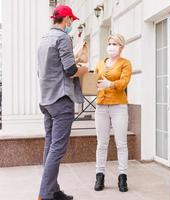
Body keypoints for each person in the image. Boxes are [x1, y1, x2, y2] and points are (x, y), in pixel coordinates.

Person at [37, 5, 88, 200]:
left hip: (47, 100)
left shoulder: (43, 40)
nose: (71, 24)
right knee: (57, 149)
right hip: (61, 100)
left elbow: (41, 71)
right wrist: (84, 69)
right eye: (71, 21)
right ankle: (44, 194)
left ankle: (52, 191)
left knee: (50, 147)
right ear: (65, 20)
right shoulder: (63, 38)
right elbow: (70, 70)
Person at [94, 34, 132, 192]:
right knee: (102, 143)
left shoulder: (125, 63)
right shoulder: (100, 63)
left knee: (121, 144)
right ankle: (99, 176)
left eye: (115, 44)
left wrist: (110, 84)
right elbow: (95, 80)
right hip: (101, 106)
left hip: (118, 106)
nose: (111, 46)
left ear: (121, 47)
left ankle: (122, 177)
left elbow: (124, 82)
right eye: (109, 43)